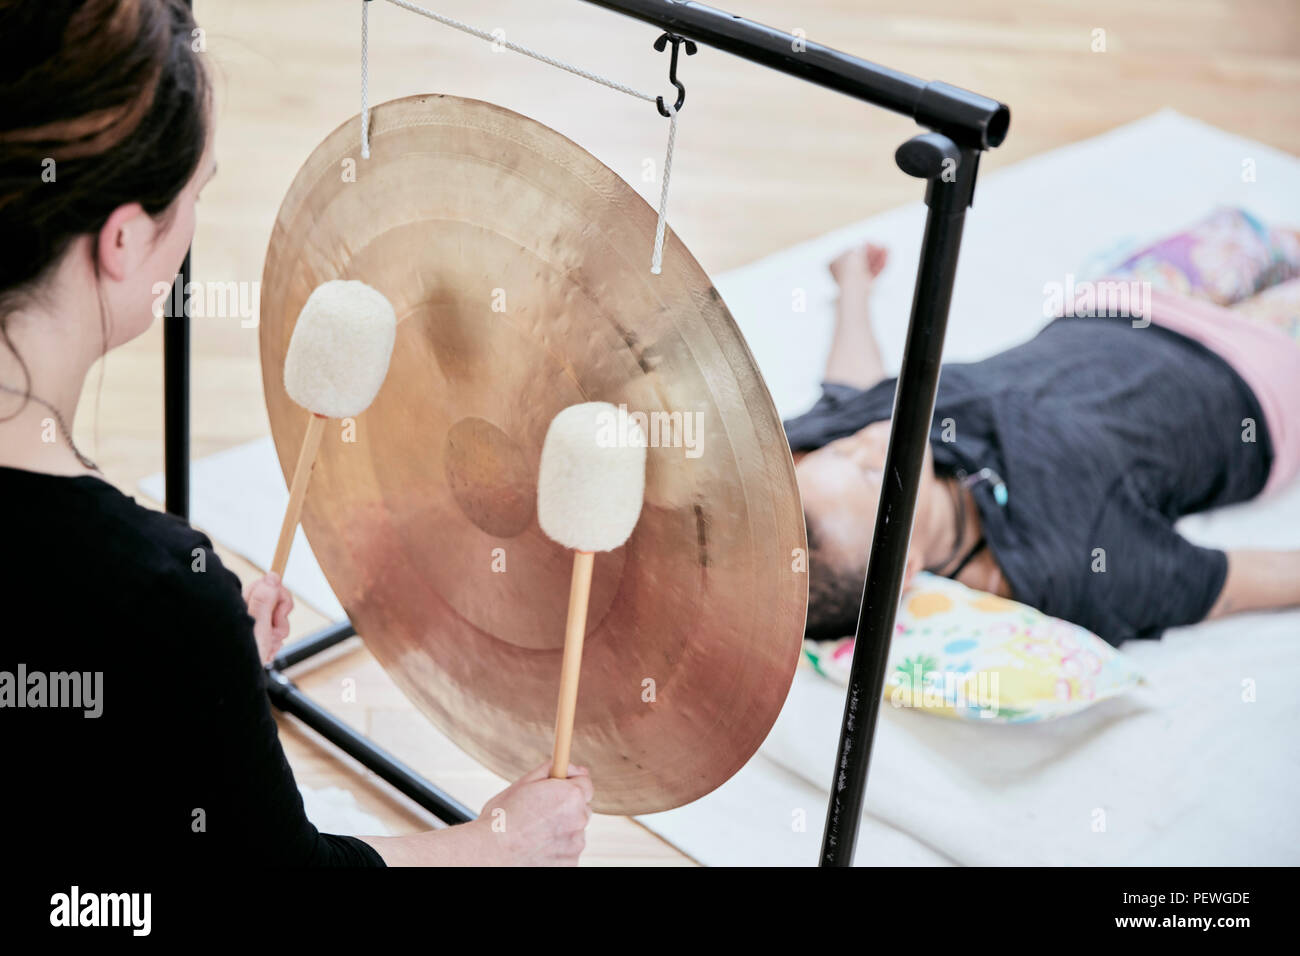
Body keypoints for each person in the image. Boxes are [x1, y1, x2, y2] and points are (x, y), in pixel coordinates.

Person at [0, 0, 590, 867]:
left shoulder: (157, 606)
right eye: (195, 194)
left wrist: (191, 686)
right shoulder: (156, 594)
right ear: (124, 238)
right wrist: (496, 842)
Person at [787, 240, 1300, 646]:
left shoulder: (884, 429)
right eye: (872, 475)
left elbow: (850, 392)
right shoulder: (1069, 562)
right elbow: (1233, 579)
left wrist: (852, 280)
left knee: (1267, 236)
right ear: (905, 571)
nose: (870, 441)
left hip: (1125, 300)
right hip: (1257, 381)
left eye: (838, 450)